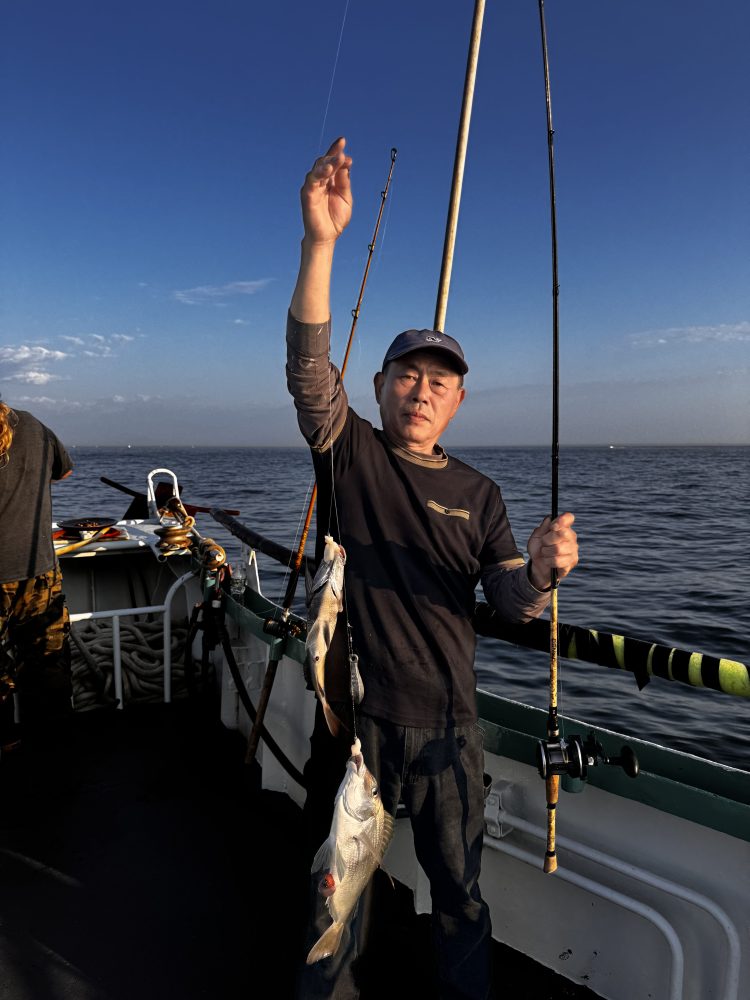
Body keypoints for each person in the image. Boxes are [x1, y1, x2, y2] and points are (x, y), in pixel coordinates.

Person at [286, 137, 579, 1000]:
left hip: (450, 727)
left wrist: (544, 573)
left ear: (458, 400)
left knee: (460, 899)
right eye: (407, 376)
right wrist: (320, 244)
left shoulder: (480, 494)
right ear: (379, 386)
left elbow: (510, 600)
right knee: (333, 891)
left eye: (439, 382)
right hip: (355, 724)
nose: (421, 391)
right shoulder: (351, 454)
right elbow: (309, 373)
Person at [0, 400, 74, 753]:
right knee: (47, 661)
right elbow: (63, 472)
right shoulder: (31, 424)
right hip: (37, 571)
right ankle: (51, 747)